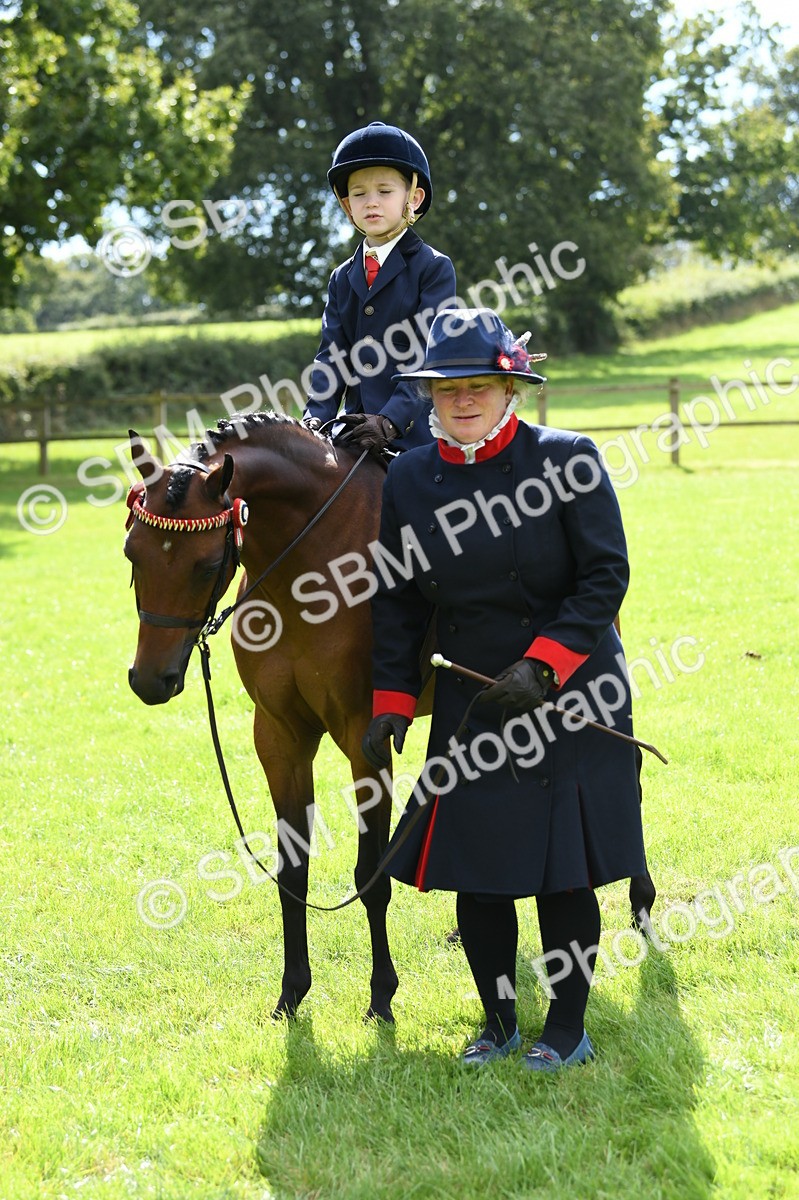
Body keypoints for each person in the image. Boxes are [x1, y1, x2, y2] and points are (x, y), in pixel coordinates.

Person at [361, 308, 647, 1071]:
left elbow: (604, 577)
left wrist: (546, 663)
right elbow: (396, 599)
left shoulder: (568, 458)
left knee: (562, 874)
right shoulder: (411, 476)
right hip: (473, 697)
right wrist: (391, 698)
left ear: (510, 388)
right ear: (428, 395)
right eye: (447, 387)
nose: (462, 401)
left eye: (480, 386)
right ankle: (497, 1021)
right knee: (479, 873)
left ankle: (567, 1027)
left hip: (570, 689)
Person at [303, 121, 457, 455]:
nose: (371, 202)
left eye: (384, 192)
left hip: (413, 438)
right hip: (353, 435)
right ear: (347, 204)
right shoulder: (342, 278)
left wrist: (389, 420)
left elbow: (427, 357)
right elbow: (332, 356)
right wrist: (315, 420)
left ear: (413, 198)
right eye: (359, 194)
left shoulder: (433, 268)